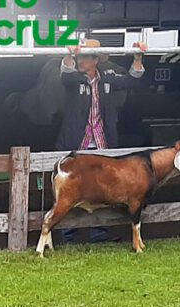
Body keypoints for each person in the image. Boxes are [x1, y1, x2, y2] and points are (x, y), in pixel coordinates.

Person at [57, 37, 146, 244]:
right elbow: (66, 75)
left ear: (96, 60)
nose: (81, 61)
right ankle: (68, 234)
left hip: (101, 143)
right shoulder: (74, 79)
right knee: (72, 188)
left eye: (86, 57)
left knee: (103, 188)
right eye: (80, 57)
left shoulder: (107, 78)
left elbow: (132, 79)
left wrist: (138, 57)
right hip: (76, 143)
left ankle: (100, 233)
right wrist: (69, 54)